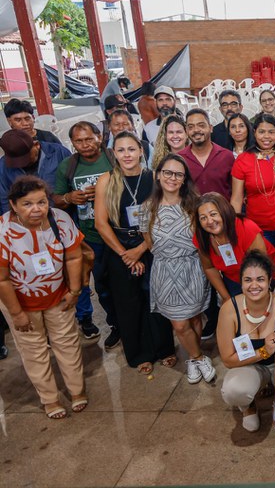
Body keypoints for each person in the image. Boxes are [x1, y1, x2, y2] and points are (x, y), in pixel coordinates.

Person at [0, 176, 86, 419]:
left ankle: (77, 391)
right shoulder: (3, 231)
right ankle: (49, 399)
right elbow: (2, 279)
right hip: (20, 303)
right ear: (13, 205)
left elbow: (73, 257)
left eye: (41, 202)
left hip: (59, 296)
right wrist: (17, 314)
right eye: (27, 204)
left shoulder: (60, 219)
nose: (36, 209)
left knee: (67, 343)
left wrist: (74, 290)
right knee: (34, 351)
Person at [94, 131, 175, 375]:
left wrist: (140, 250)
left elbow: (165, 218)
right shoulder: (106, 181)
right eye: (121, 150)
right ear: (114, 154)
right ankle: (139, 353)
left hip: (151, 244)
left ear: (141, 151)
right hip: (119, 246)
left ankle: (164, 348)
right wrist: (125, 254)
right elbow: (101, 223)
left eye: (131, 149)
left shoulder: (154, 179)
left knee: (157, 300)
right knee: (128, 302)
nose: (127, 155)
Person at [140, 154, 215, 385]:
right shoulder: (147, 207)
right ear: (158, 175)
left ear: (184, 179)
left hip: (192, 267)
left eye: (178, 174)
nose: (172, 178)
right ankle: (198, 356)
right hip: (165, 270)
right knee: (179, 324)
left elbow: (204, 238)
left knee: (194, 318)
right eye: (168, 172)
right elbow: (149, 242)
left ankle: (194, 357)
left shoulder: (194, 203)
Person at [54, 122, 116, 343]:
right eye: (79, 141)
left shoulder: (113, 158)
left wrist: (104, 191)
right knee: (102, 285)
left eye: (89, 139)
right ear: (72, 143)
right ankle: (114, 324)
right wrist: (70, 198)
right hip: (91, 237)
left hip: (119, 231)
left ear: (98, 137)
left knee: (128, 282)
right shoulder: (67, 166)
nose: (85, 145)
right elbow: (56, 198)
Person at [231, 113, 275, 288]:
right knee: (264, 271)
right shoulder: (243, 160)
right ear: (254, 133)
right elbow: (237, 198)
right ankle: (265, 309)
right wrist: (234, 228)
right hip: (258, 228)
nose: (266, 136)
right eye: (262, 132)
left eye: (271, 131)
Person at [218, 250, 275, 432]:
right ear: (241, 283)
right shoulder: (230, 309)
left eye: (260, 279)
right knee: (233, 390)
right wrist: (263, 352)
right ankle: (248, 406)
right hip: (250, 366)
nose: (254, 285)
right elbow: (228, 360)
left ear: (270, 282)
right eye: (248, 280)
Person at [193, 193, 275, 302]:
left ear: (224, 212)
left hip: (261, 272)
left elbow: (260, 270)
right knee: (235, 309)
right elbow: (209, 268)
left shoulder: (247, 229)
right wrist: (226, 298)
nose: (210, 221)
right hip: (232, 276)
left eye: (213, 214)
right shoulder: (201, 237)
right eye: (203, 218)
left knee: (256, 307)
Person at [0, 129, 71, 213]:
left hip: (65, 214)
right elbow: (5, 201)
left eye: (25, 158)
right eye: (17, 161)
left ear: (36, 145)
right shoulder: (3, 166)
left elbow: (74, 182)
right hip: (27, 220)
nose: (22, 164)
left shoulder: (59, 152)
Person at [178, 108, 235, 199]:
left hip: (222, 212)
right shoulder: (179, 159)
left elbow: (236, 193)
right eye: (191, 127)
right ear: (186, 131)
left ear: (211, 128)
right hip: (190, 212)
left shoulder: (226, 156)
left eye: (201, 125)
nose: (196, 130)